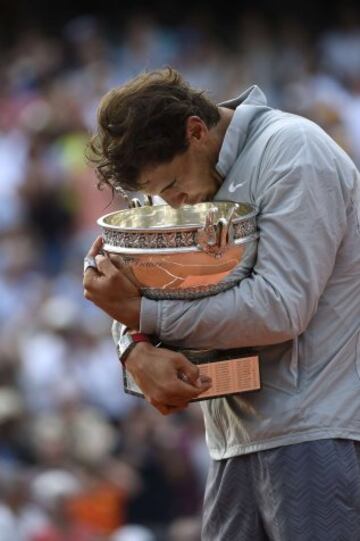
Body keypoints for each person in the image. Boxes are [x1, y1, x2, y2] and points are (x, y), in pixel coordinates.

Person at [83, 68, 360, 540]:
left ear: (196, 130)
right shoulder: (175, 181)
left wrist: (145, 315)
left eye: (170, 188)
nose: (170, 204)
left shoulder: (293, 150)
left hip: (315, 430)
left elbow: (281, 306)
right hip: (231, 439)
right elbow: (136, 290)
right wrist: (135, 346)